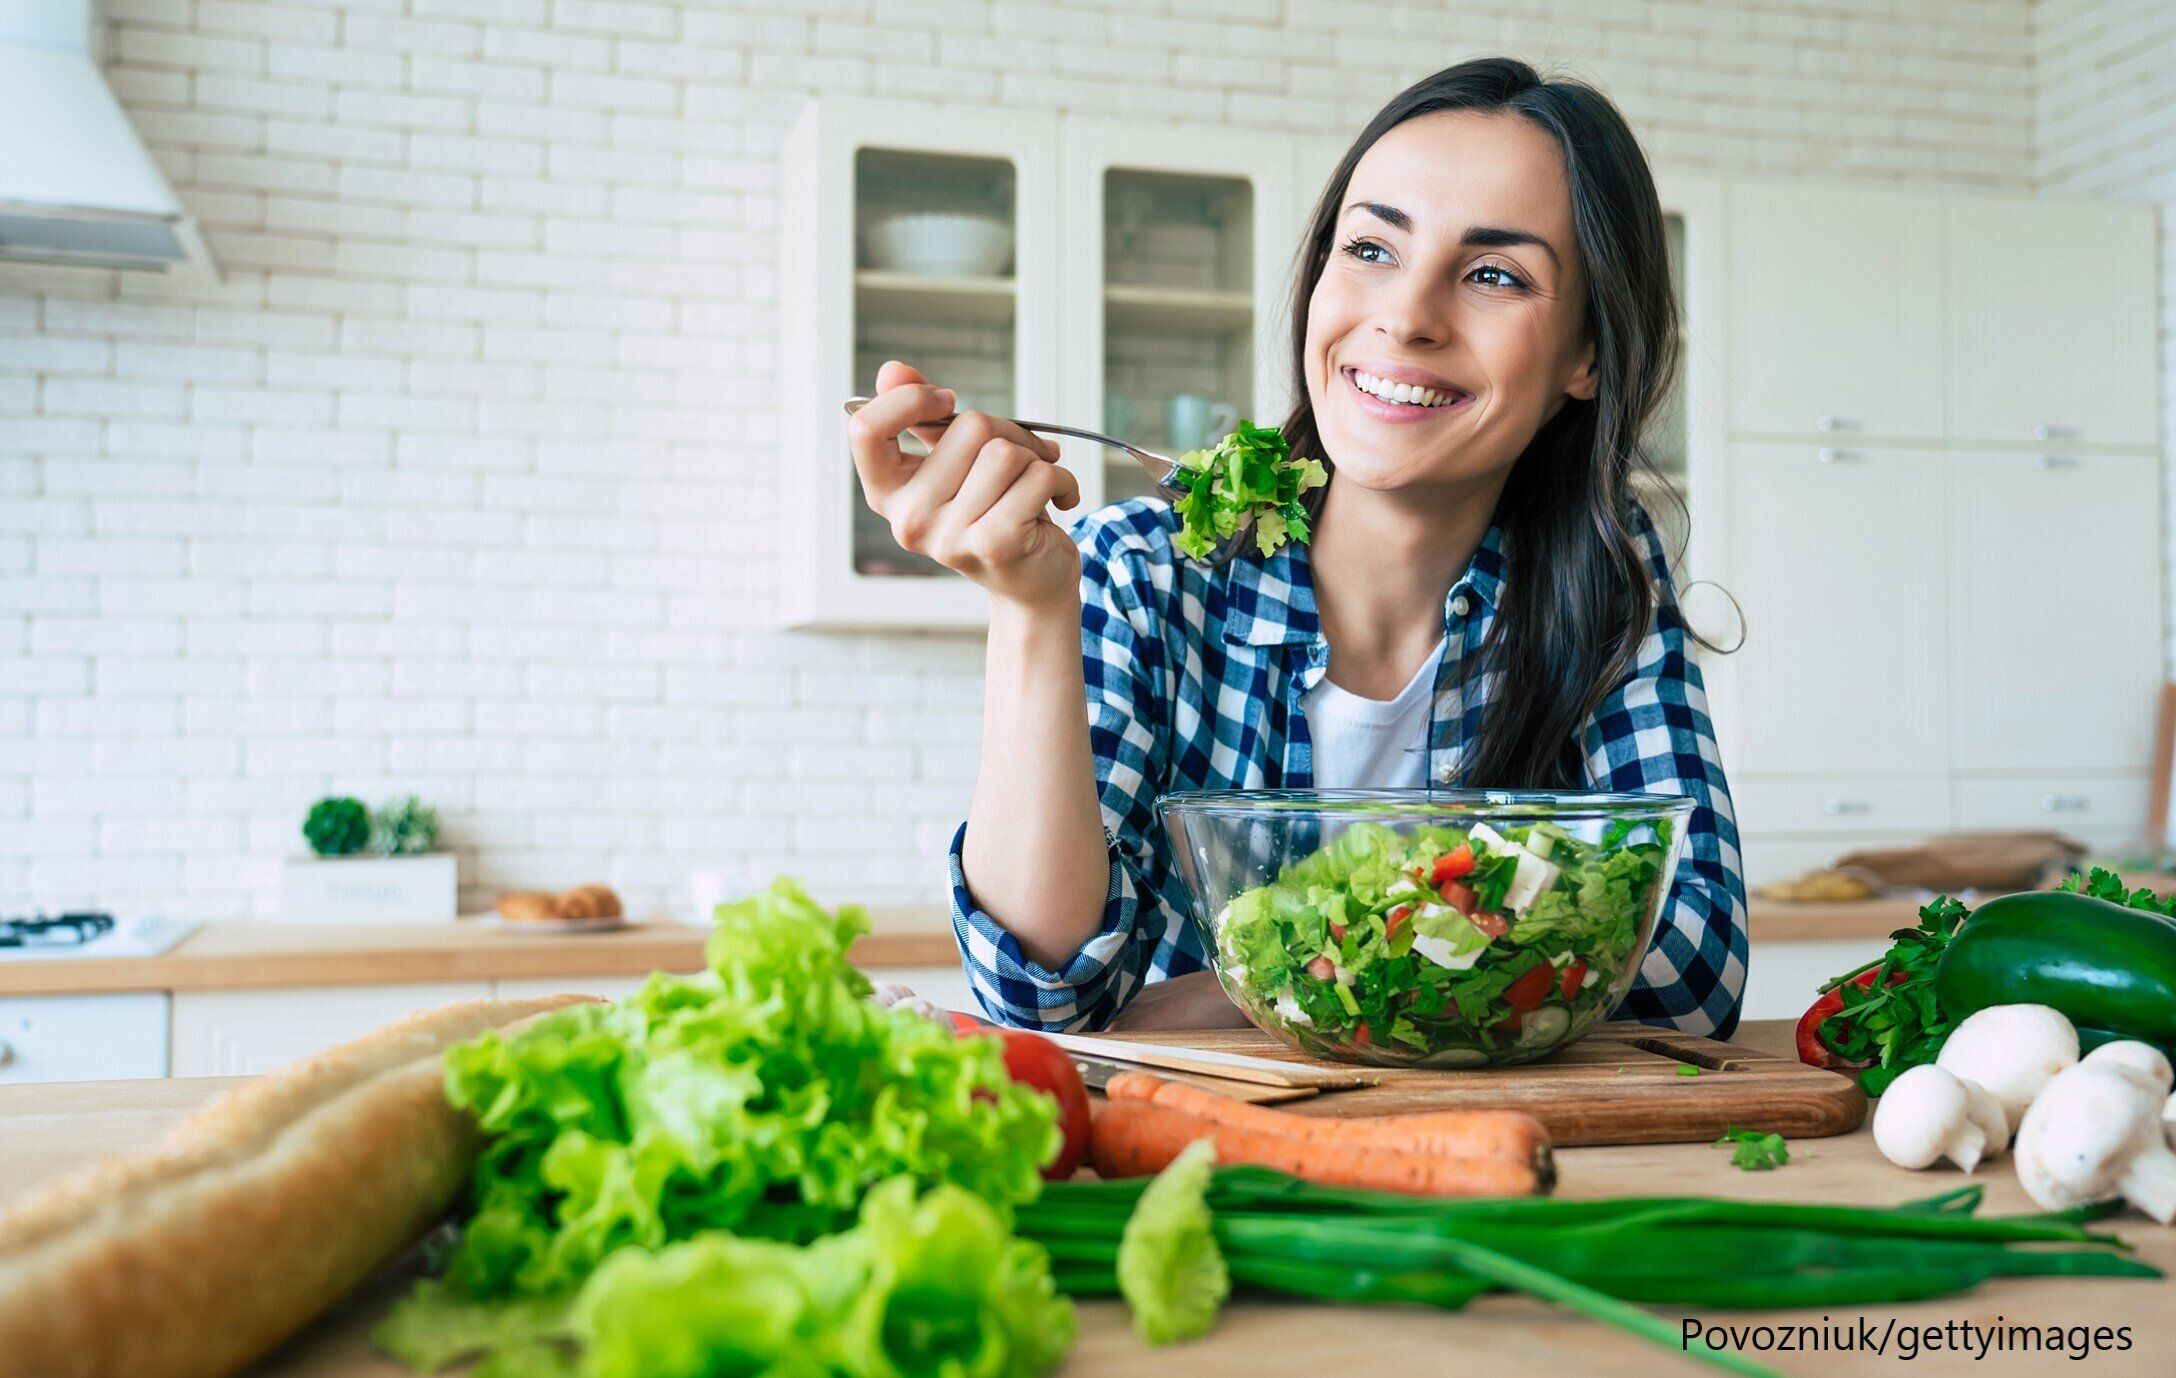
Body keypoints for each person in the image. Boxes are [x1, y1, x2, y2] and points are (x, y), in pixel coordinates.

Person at [845, 57, 1747, 1040]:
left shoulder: (1605, 584)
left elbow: (1693, 972)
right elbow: (1047, 995)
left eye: (1493, 274)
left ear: (1587, 354)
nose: (1406, 316)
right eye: (1371, 248)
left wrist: (1246, 984)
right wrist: (1028, 607)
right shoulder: (1141, 572)